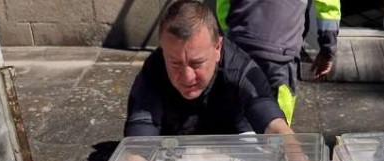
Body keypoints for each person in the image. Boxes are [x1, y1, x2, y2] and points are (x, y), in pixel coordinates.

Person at [124, 0, 292, 137]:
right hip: (175, 150)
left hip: (232, 145)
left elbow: (272, 120)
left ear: (218, 48)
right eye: (175, 63)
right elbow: (140, 136)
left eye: (196, 63)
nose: (187, 77)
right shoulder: (154, 67)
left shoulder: (239, 67)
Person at [218, 0, 341, 125]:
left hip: (239, 47)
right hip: (280, 56)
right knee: (277, 128)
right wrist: (328, 49)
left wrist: (230, 40)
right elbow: (328, 6)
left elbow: (223, 5)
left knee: (235, 122)